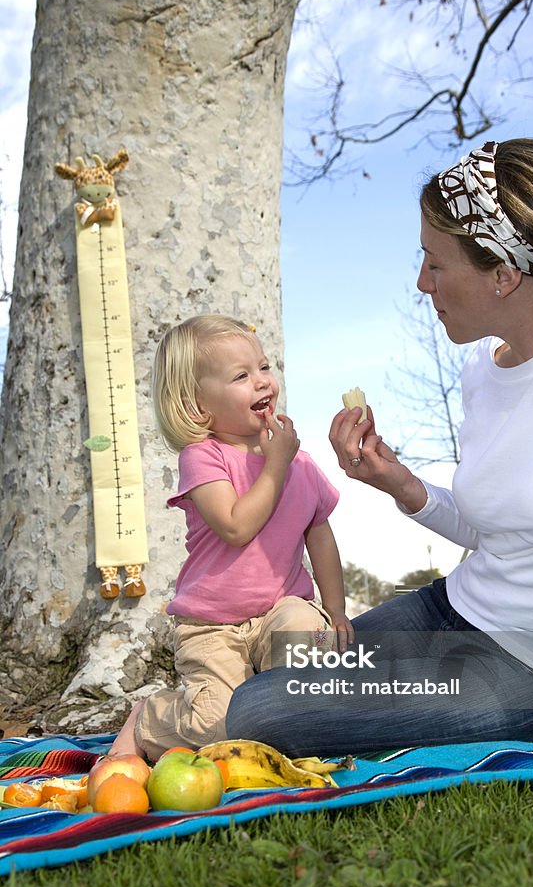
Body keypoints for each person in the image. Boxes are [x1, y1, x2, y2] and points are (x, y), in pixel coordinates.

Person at [224, 138, 533, 767]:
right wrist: (398, 483)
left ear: (503, 273)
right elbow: (493, 525)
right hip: (454, 611)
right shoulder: (481, 367)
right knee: (282, 658)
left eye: (435, 264)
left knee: (261, 710)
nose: (421, 282)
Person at [110, 315, 352, 760]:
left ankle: (300, 733)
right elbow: (236, 526)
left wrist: (335, 611)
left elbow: (321, 537)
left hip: (281, 610)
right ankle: (150, 717)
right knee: (218, 725)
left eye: (263, 367)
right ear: (198, 406)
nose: (262, 382)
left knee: (308, 639)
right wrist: (276, 465)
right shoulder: (203, 458)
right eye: (241, 376)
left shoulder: (301, 465)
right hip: (212, 624)